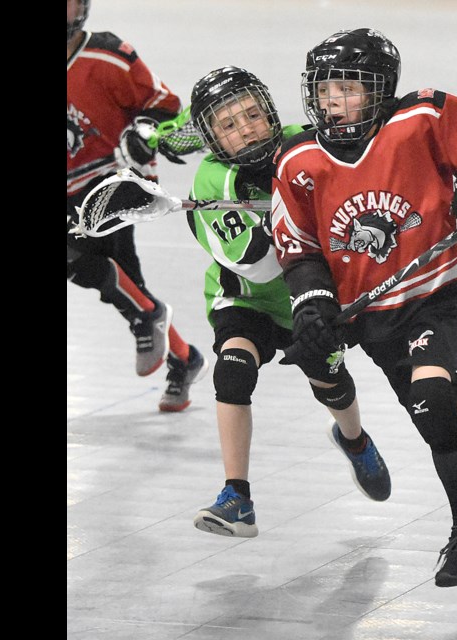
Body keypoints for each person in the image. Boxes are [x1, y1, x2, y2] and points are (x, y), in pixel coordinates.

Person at [270, 28, 457, 587]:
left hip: (433, 295)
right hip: (370, 316)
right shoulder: (297, 158)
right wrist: (312, 308)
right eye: (327, 91)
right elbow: (298, 247)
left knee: (433, 394)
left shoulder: (422, 117)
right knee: (439, 418)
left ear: (381, 90)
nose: (336, 102)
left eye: (351, 89)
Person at [181, 67, 392, 538]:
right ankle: (237, 496)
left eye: (253, 115)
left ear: (271, 111)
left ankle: (354, 441)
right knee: (233, 369)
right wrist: (289, 218)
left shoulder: (310, 143)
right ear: (214, 140)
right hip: (248, 299)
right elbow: (259, 267)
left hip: (310, 298)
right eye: (230, 126)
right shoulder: (215, 182)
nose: (248, 129)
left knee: (330, 381)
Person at [66, 0, 208, 411]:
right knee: (123, 282)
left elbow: (164, 104)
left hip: (110, 181)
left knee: (92, 264)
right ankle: (181, 353)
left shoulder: (107, 55)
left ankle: (154, 321)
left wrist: (143, 131)